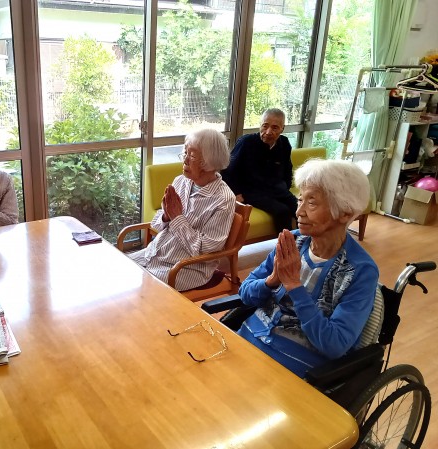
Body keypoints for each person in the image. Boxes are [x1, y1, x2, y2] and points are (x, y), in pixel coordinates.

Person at [236, 159, 378, 378]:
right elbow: (245, 293)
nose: (299, 211)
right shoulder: (293, 242)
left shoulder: (360, 270)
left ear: (345, 213)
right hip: (246, 341)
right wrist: (272, 280)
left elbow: (335, 344)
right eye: (300, 199)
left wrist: (294, 286)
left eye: (311, 203)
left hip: (292, 366)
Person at [128, 129, 236, 291]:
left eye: (191, 155)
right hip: (154, 254)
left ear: (209, 161)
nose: (184, 160)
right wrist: (166, 216)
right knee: (116, 268)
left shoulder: (224, 199)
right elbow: (156, 225)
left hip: (185, 269)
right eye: (185, 152)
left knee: (135, 286)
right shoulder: (181, 181)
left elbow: (206, 252)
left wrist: (177, 217)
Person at [221, 108, 297, 233]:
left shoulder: (284, 143)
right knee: (282, 211)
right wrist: (235, 192)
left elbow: (287, 169)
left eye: (275, 128)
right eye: (265, 126)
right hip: (253, 192)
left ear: (282, 129)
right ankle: (287, 244)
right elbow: (228, 170)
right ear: (260, 125)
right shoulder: (246, 142)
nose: (268, 132)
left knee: (300, 209)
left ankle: (305, 241)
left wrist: (285, 186)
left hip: (278, 190)